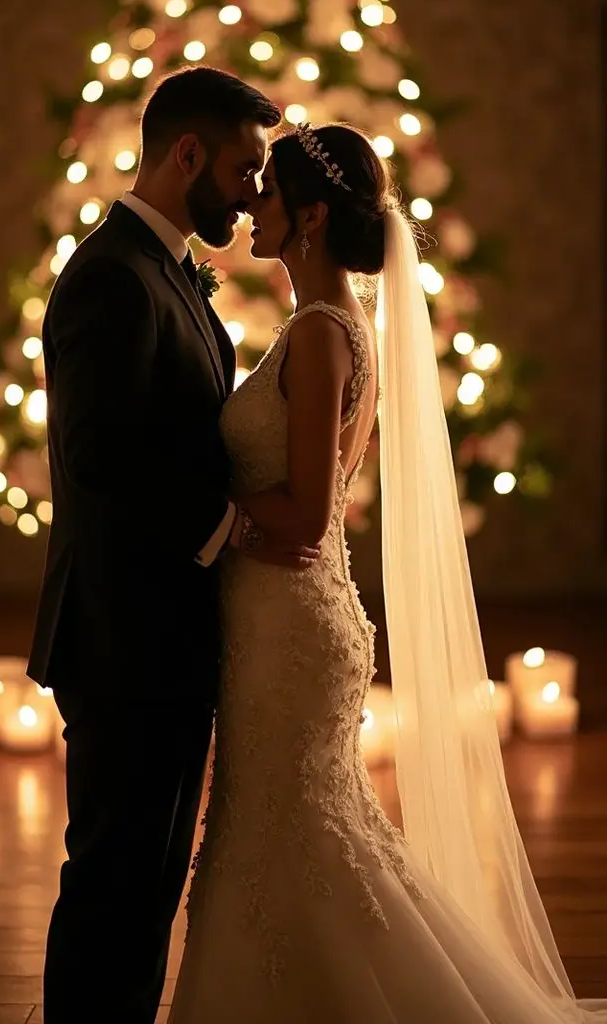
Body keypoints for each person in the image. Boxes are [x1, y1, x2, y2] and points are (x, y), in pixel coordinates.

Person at [168, 123, 607, 1023]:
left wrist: (215, 520)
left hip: (289, 621)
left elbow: (307, 516)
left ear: (313, 218)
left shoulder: (322, 336)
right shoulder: (329, 326)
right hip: (292, 612)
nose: (251, 203)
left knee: (291, 838)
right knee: (293, 836)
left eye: (270, 192)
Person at [26, 67, 321, 1024]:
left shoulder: (166, 271)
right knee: (113, 875)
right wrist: (230, 525)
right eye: (241, 168)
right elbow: (99, 455)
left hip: (166, 629)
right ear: (186, 154)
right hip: (120, 634)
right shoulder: (110, 277)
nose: (251, 190)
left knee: (147, 884)